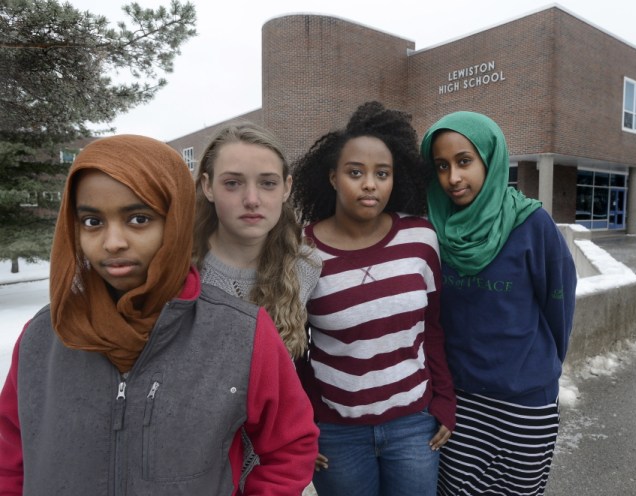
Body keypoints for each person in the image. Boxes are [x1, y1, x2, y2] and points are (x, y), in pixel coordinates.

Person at [0, 135, 318, 495]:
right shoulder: (44, 336)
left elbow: (290, 445)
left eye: (138, 219)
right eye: (92, 221)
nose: (113, 242)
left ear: (176, 221)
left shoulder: (242, 333)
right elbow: (11, 454)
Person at [290, 101, 456, 496]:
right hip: (335, 433)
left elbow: (432, 329)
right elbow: (292, 347)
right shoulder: (301, 251)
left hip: (414, 424)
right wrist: (302, 423)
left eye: (382, 174)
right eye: (355, 172)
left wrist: (444, 401)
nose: (370, 184)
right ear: (332, 177)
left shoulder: (420, 238)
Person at [420, 111, 577, 495]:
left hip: (525, 403)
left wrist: (536, 367)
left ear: (490, 159)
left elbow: (559, 307)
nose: (453, 178)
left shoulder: (532, 224)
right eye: (442, 166)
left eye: (464, 161)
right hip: (460, 400)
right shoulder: (432, 229)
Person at [193, 122, 321, 360]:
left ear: (286, 188)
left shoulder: (304, 265)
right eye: (232, 183)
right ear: (207, 186)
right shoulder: (182, 269)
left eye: (268, 183)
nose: (252, 200)